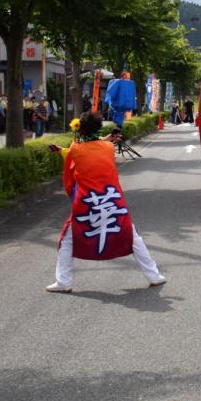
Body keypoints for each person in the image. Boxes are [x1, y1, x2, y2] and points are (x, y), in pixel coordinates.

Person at [44, 112, 166, 293]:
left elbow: (74, 155)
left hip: (87, 203)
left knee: (67, 240)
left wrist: (61, 150)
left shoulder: (76, 149)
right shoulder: (108, 147)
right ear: (99, 128)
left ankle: (64, 281)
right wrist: (106, 138)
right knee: (131, 236)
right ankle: (153, 275)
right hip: (112, 200)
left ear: (80, 129)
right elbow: (97, 145)